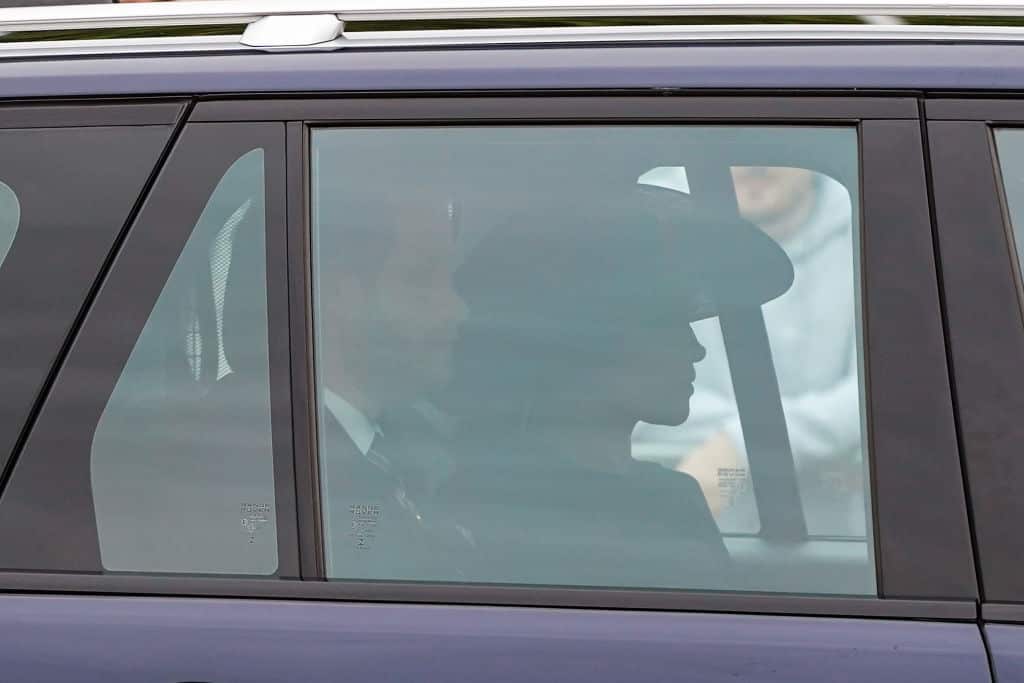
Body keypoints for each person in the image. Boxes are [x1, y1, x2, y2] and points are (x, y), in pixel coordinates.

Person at [439, 184, 794, 590]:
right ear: (585, 341)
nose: (695, 348)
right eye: (665, 324)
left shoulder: (674, 498)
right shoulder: (499, 513)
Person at [633, 167, 865, 536]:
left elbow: (886, 394)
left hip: (848, 549)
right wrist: (809, 436)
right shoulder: (646, 224)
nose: (753, 165)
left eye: (766, 146)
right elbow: (626, 380)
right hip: (685, 537)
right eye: (731, 146)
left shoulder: (871, 223)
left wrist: (739, 445)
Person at [315, 187, 471, 580]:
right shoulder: (256, 476)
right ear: (340, 295)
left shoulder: (419, 448)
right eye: (422, 279)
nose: (458, 309)